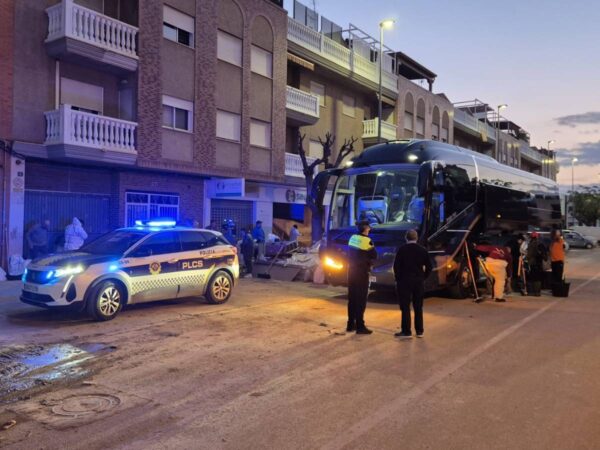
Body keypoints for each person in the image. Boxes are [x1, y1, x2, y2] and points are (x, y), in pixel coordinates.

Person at [393, 229, 432, 338]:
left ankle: (406, 331)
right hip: (418, 282)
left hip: (404, 282)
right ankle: (419, 331)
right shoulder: (423, 250)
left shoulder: (402, 250)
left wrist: (398, 279)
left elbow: (396, 266)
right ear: (416, 238)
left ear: (406, 238)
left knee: (405, 307)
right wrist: (423, 277)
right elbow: (429, 267)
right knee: (418, 306)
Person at [347, 220, 377, 334]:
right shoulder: (368, 241)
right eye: (369, 227)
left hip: (351, 272)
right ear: (365, 228)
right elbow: (374, 255)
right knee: (361, 300)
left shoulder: (352, 238)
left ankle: (350, 324)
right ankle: (360, 326)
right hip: (361, 273)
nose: (370, 229)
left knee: (352, 299)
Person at [526, 232, 546, 296]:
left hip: (532, 263)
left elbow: (529, 254)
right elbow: (545, 256)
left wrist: (526, 258)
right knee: (537, 278)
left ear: (531, 237)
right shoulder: (540, 244)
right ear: (537, 237)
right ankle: (537, 292)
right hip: (539, 263)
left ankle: (531, 292)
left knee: (532, 277)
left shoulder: (531, 244)